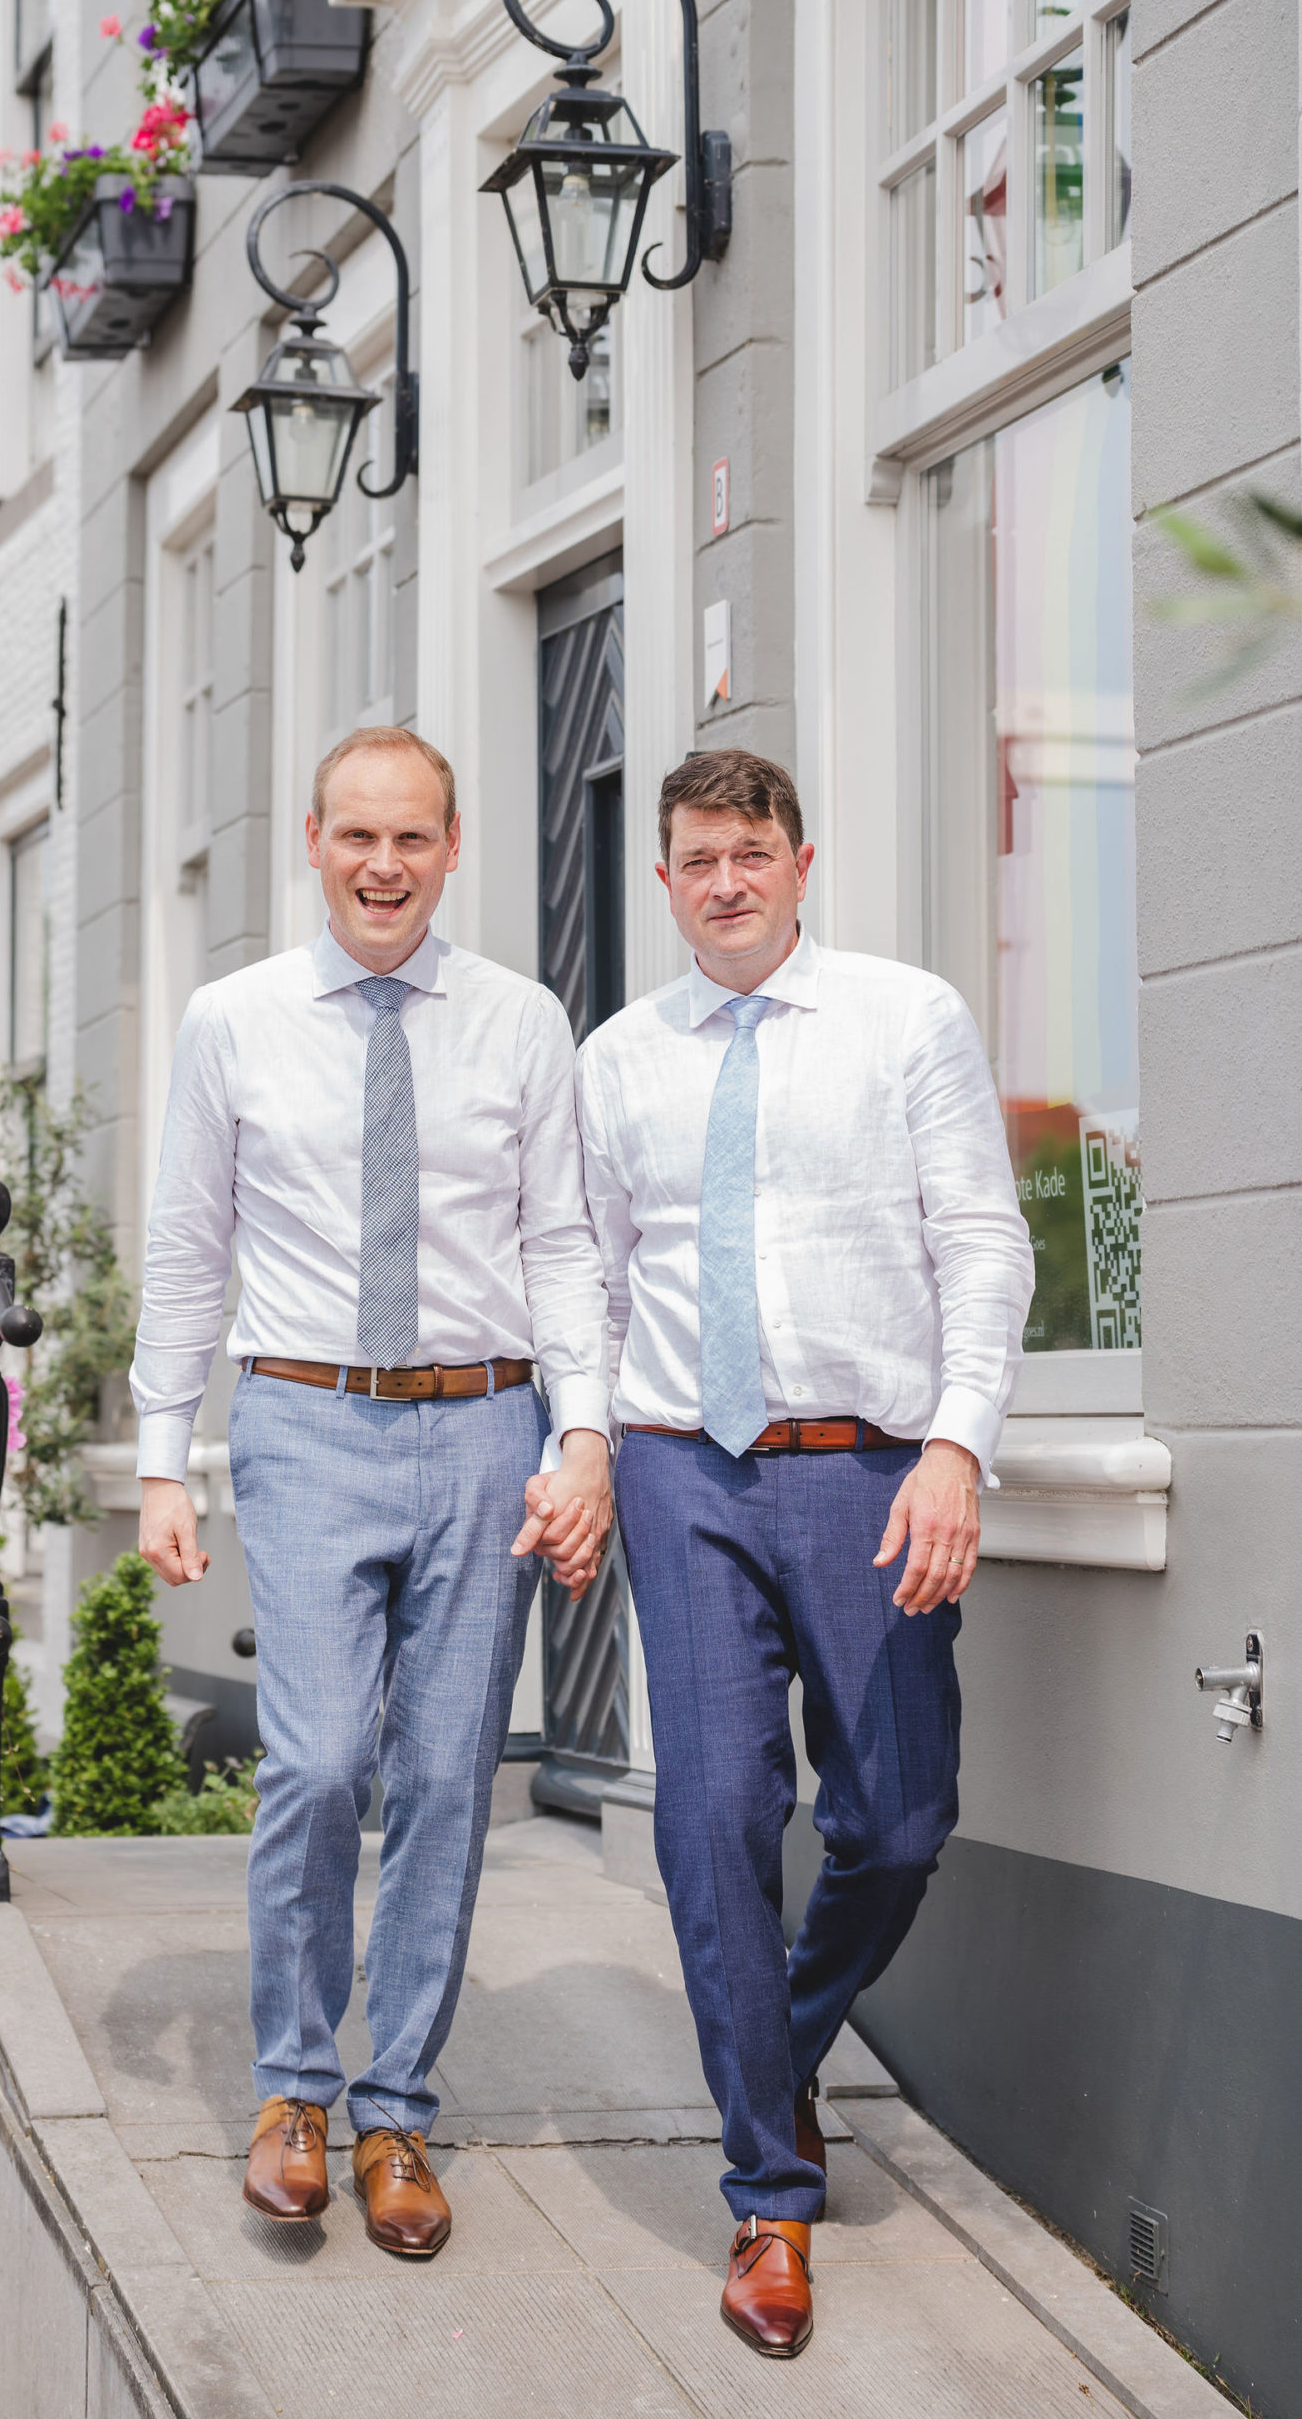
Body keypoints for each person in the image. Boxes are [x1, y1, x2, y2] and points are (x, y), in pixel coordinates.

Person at [576, 748, 1033, 2359]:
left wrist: (959, 1445)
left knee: (898, 1823)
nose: (725, 883)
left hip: (873, 1468)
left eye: (751, 853)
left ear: (800, 862)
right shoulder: (619, 1058)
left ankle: (776, 2047)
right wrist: (587, 1442)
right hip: (679, 1467)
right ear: (664, 879)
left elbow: (983, 1239)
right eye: (697, 859)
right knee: (711, 1815)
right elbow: (596, 1280)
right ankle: (770, 2194)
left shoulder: (907, 1020)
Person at [132, 724, 611, 2259]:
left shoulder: (523, 1021)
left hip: (484, 1425)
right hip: (304, 1419)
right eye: (357, 836)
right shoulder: (234, 1021)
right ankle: (294, 2089)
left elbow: (563, 1247)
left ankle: (395, 2103)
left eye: (412, 838)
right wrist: (161, 1456)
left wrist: (583, 1434)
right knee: (322, 1761)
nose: (383, 865)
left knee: (450, 1779)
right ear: (314, 844)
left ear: (453, 849)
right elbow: (188, 1245)